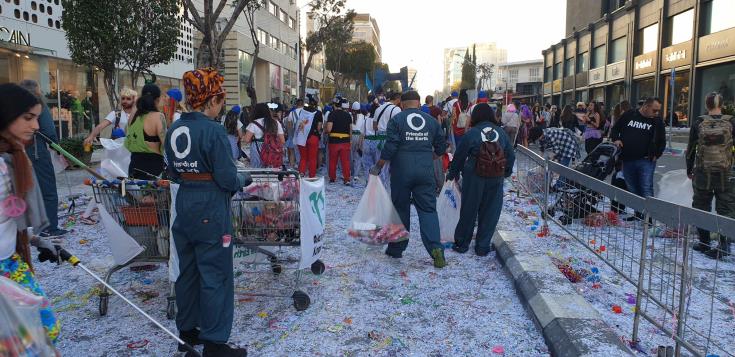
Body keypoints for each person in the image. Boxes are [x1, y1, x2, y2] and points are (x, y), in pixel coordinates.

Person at [165, 68, 249, 356]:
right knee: (215, 272)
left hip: (185, 202)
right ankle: (215, 342)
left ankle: (187, 332)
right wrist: (242, 179)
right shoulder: (213, 130)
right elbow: (227, 179)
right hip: (210, 206)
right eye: (220, 100)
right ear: (211, 100)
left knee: (187, 272)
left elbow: (174, 173)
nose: (221, 106)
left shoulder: (174, 128)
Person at [0, 83, 61, 344]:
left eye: (36, 118)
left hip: (10, 261)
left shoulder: (13, 156)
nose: (36, 126)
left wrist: (35, 240)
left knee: (46, 330)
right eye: (28, 118)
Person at [370, 91, 448, 268]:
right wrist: (431, 157)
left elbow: (391, 147)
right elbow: (442, 146)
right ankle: (436, 249)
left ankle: (396, 249)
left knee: (400, 209)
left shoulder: (396, 120)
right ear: (419, 103)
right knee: (428, 210)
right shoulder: (430, 121)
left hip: (401, 171)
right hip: (425, 171)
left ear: (402, 104)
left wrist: (379, 166)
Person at [447, 103, 514, 256]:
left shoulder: (472, 133)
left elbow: (460, 155)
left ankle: (462, 244)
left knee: (469, 209)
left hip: (474, 175)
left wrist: (453, 174)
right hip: (496, 176)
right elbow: (511, 155)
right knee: (491, 210)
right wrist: (506, 172)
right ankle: (482, 246)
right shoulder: (501, 133)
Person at [686, 92, 735, 259]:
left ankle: (704, 242)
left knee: (701, 206)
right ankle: (724, 245)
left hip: (702, 173)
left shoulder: (699, 122)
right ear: (722, 104)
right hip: (726, 173)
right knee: (726, 209)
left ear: (707, 105)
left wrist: (689, 169)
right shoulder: (731, 122)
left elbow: (691, 148)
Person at [18, 80, 68, 237]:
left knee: (21, 189)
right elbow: (47, 131)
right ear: (37, 91)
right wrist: (58, 149)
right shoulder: (38, 105)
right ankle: (50, 228)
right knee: (47, 190)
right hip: (36, 151)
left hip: (15, 152)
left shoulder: (12, 107)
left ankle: (22, 228)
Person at [610, 97, 666, 202]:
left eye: (658, 110)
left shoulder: (657, 121)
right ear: (645, 107)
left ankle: (648, 217)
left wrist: (657, 154)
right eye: (654, 110)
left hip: (646, 160)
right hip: (627, 159)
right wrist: (616, 139)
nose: (657, 113)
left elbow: (662, 140)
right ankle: (638, 214)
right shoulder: (629, 114)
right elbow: (615, 129)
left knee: (646, 188)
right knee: (632, 188)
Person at [123, 83, 167, 179]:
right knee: (151, 194)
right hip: (153, 168)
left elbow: (127, 134)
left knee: (138, 194)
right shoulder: (158, 116)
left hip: (134, 166)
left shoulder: (133, 117)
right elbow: (166, 144)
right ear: (158, 100)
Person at [244, 103, 285, 168]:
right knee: (271, 169)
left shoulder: (253, 123)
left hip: (257, 148)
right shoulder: (276, 122)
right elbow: (282, 140)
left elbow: (246, 140)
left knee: (257, 170)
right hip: (272, 148)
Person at [374, 92, 402, 185]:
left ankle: (379, 189)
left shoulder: (378, 108)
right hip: (391, 140)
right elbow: (399, 127)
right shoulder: (396, 109)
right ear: (398, 99)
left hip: (378, 140)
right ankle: (386, 191)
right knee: (391, 167)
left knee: (380, 166)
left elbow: (374, 126)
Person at [326, 99, 352, 184]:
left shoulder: (331, 114)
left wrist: (325, 131)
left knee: (333, 160)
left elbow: (329, 129)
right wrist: (350, 141)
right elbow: (350, 130)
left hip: (334, 141)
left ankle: (332, 178)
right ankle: (347, 178)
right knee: (345, 161)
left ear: (334, 105)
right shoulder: (348, 115)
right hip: (345, 141)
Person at [298, 96, 323, 178]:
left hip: (302, 136)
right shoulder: (318, 113)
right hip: (313, 136)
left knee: (303, 157)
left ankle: (301, 173)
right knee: (312, 158)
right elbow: (319, 127)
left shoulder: (302, 112)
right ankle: (312, 176)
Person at [285, 98, 304, 168]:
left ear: (296, 104)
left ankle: (292, 166)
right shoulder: (306, 112)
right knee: (303, 153)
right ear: (303, 104)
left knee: (292, 152)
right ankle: (303, 167)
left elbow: (289, 125)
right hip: (304, 135)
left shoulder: (292, 113)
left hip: (294, 135)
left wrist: (290, 135)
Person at [351, 101, 365, 185]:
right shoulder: (363, 117)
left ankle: (351, 171)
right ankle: (356, 174)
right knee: (358, 155)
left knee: (350, 155)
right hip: (360, 136)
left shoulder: (349, 115)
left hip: (351, 136)